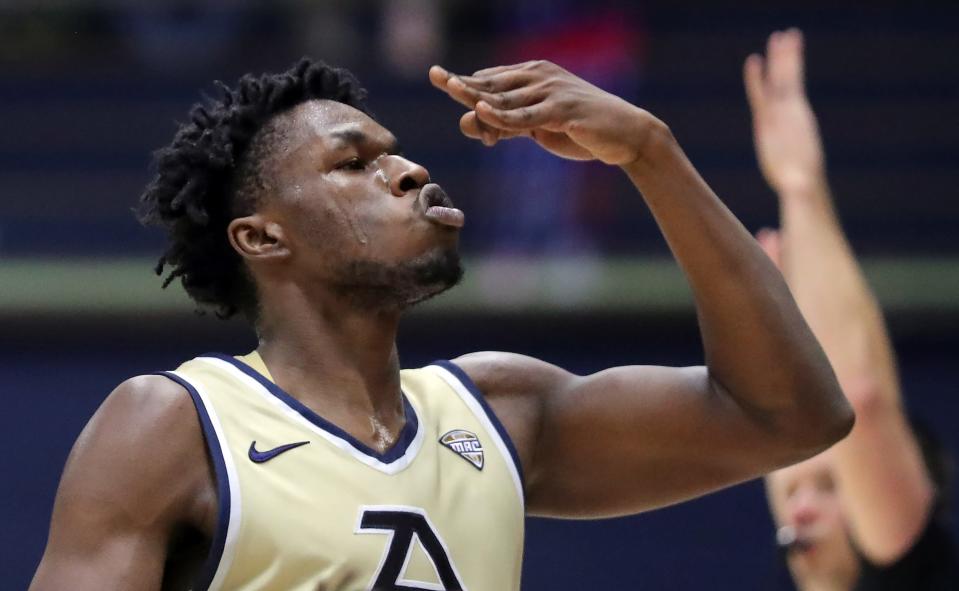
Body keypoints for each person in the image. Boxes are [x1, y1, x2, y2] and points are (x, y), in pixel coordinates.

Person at [30, 55, 854, 591]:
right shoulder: (174, 424)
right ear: (261, 236)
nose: (409, 169)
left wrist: (648, 151)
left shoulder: (500, 413)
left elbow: (789, 416)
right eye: (353, 163)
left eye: (393, 153)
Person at [748, 29, 959, 590]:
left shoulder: (911, 568)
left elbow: (857, 404)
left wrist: (800, 187)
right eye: (793, 492)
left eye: (829, 486)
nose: (802, 512)